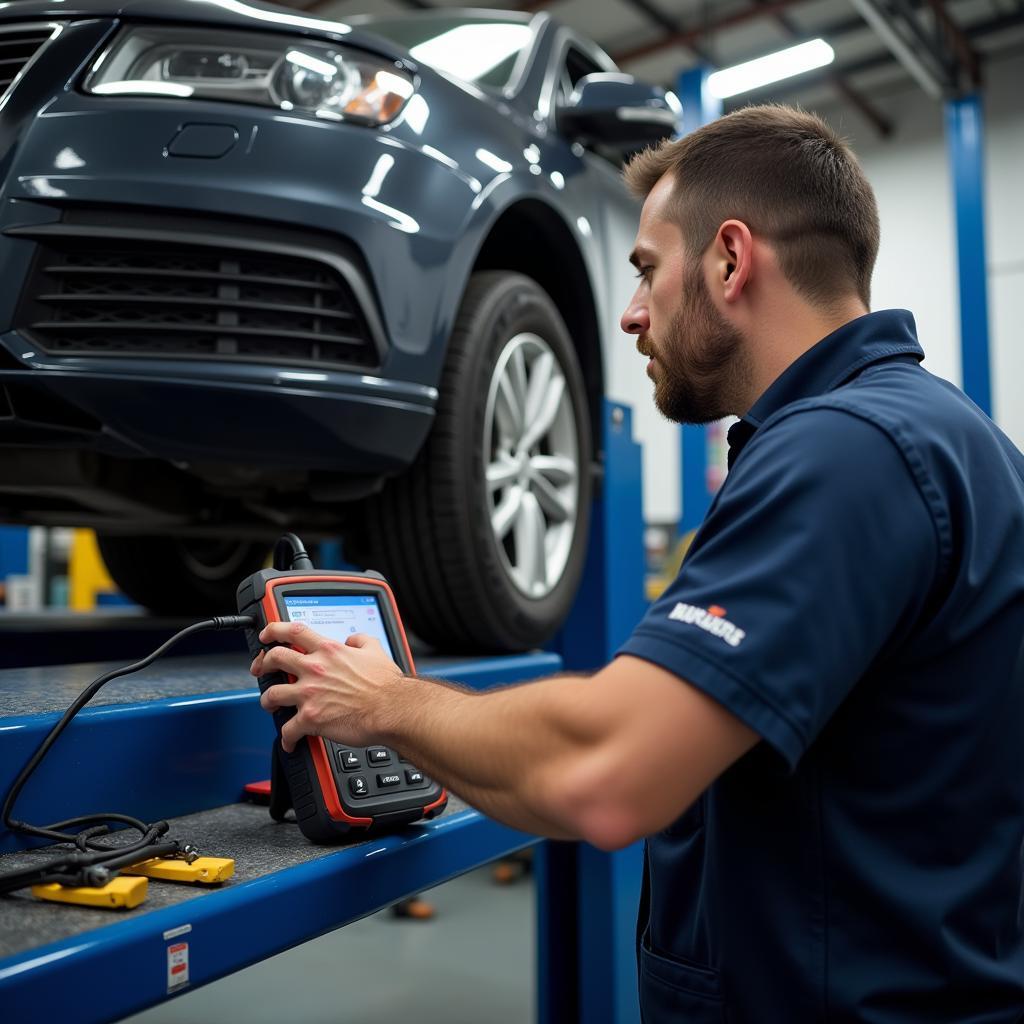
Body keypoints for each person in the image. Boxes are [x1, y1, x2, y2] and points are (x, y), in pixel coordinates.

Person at [250, 106, 1024, 1021]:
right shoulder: (952, 436)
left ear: (731, 260)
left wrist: (384, 703)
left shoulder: (845, 453)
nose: (630, 313)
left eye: (648, 271)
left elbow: (605, 775)